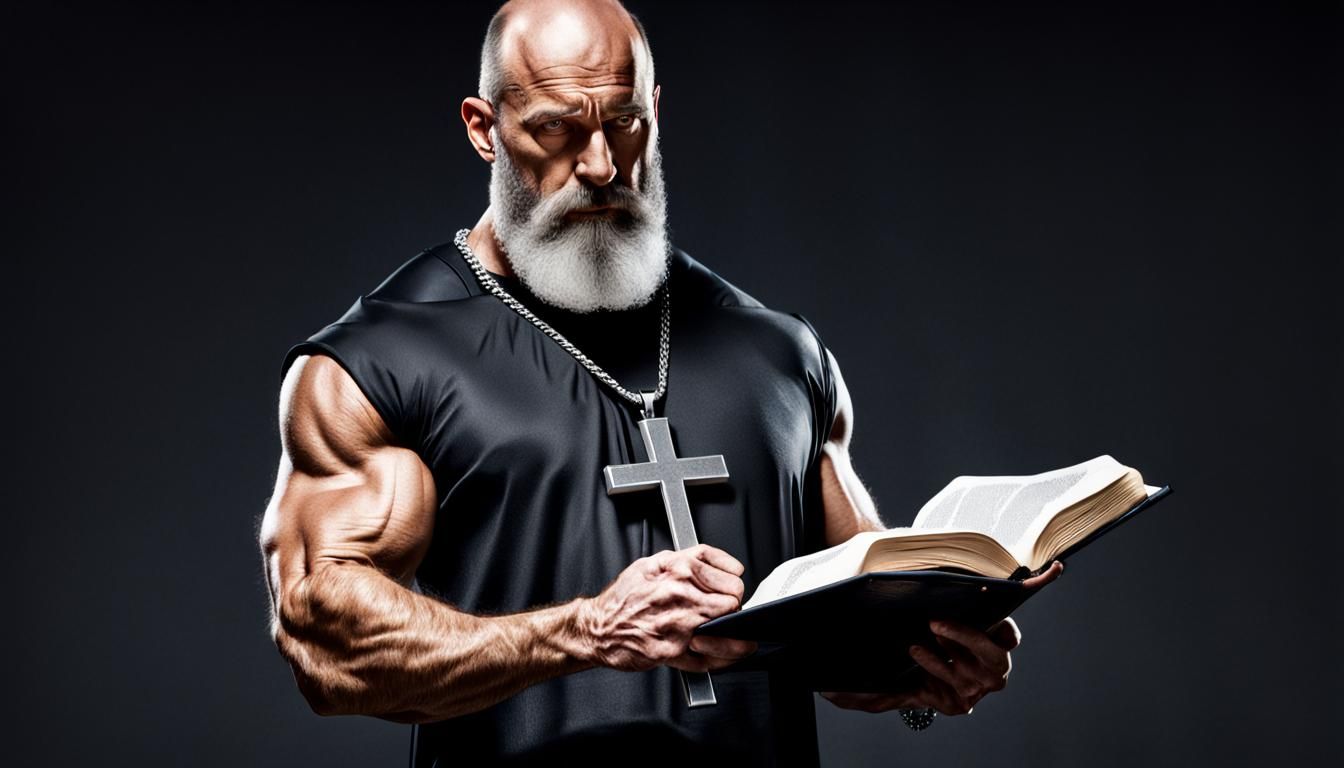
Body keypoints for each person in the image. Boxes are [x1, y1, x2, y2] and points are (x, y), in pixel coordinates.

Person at [257, 0, 1063, 765]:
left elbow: (844, 633)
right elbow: (325, 645)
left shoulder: (777, 352)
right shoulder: (380, 360)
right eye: (556, 129)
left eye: (626, 123)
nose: (601, 164)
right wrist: (581, 631)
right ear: (484, 129)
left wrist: (924, 672)